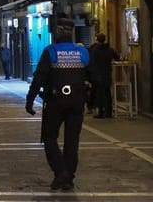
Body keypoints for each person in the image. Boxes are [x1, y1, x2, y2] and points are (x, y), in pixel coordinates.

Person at [25, 18, 92, 191]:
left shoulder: (51, 51)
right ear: (72, 32)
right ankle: (68, 178)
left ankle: (61, 172)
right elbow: (95, 78)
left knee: (49, 137)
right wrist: (91, 101)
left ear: (58, 30)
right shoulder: (82, 52)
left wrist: (30, 100)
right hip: (77, 102)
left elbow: (39, 77)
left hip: (55, 101)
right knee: (72, 141)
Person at [89, 33, 120, 118]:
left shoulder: (95, 50)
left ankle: (101, 112)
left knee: (99, 94)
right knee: (107, 93)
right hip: (107, 73)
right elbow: (117, 58)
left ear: (97, 40)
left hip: (98, 74)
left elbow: (92, 62)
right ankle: (109, 112)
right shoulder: (110, 50)